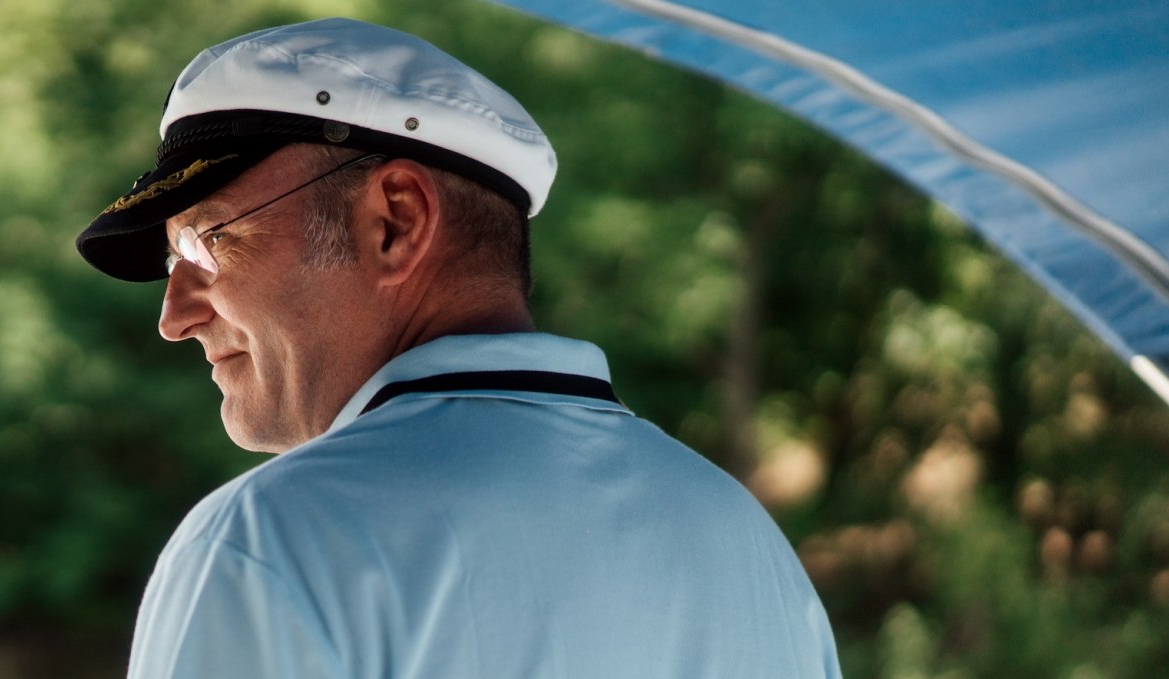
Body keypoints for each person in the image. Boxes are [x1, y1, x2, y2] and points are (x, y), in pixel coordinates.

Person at [75, 17, 841, 679]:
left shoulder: (270, 541)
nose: (174, 316)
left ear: (396, 221)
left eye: (210, 241)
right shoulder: (747, 544)